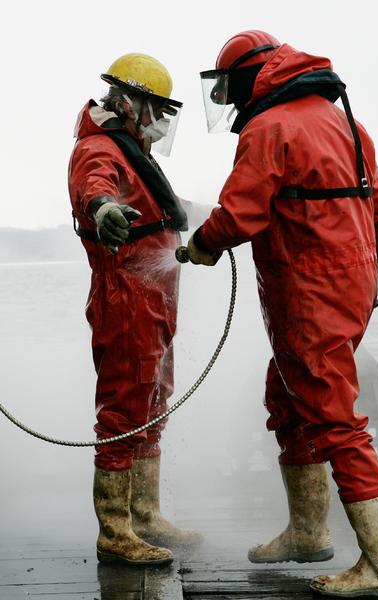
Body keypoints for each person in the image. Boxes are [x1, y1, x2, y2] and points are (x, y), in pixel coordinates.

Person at [186, 30, 378, 597]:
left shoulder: (269, 127)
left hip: (309, 291)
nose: (228, 100)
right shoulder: (347, 123)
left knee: (334, 417)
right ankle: (308, 532)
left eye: (229, 86)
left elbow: (240, 213)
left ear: (253, 77)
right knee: (288, 394)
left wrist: (203, 244)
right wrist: (364, 268)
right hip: (349, 286)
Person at [68, 53, 202, 566]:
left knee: (152, 402)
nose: (161, 122)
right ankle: (115, 530)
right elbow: (92, 186)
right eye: (156, 110)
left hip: (155, 298)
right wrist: (102, 208)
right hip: (126, 297)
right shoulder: (100, 148)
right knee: (124, 411)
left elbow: (157, 207)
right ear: (129, 103)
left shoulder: (135, 153)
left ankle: (145, 516)